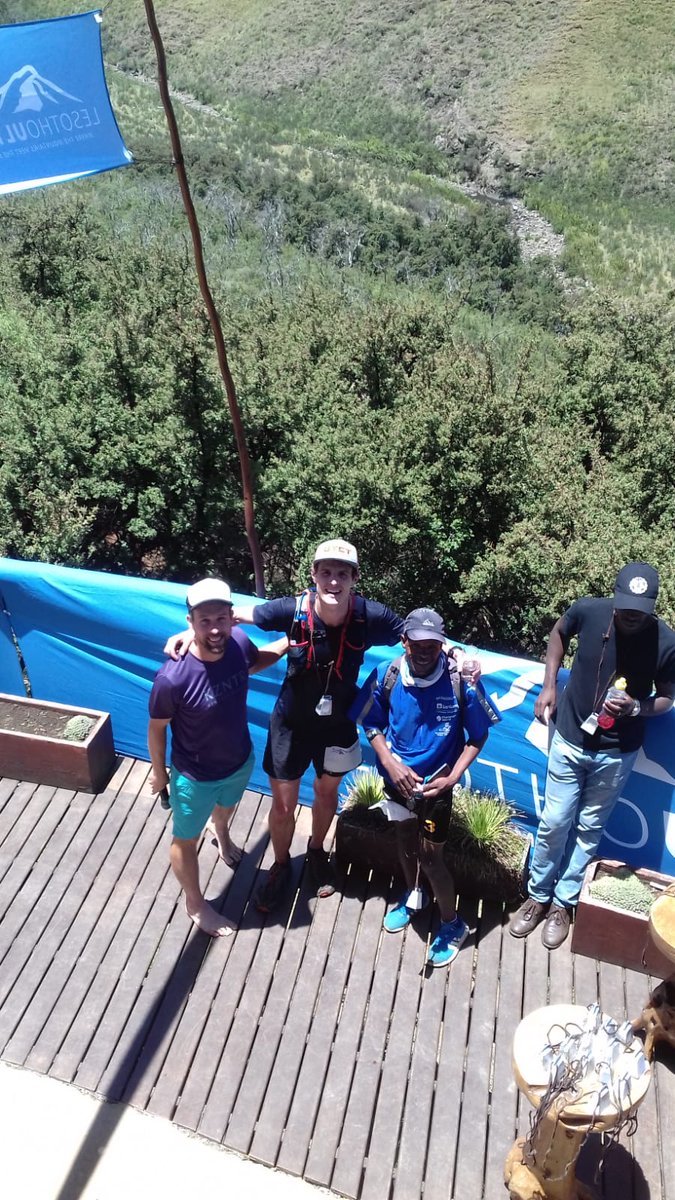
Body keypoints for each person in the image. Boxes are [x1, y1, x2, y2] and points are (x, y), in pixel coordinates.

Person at [164, 540, 404, 912]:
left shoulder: (368, 615)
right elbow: (234, 616)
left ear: (355, 578)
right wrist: (188, 634)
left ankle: (316, 853)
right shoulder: (293, 609)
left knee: (326, 796)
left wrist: (454, 655)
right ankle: (279, 866)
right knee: (283, 806)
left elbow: (412, 634)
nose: (334, 581)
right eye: (326, 572)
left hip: (338, 724)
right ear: (314, 575)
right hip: (290, 726)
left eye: (342, 573)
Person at [510, 562, 675, 950]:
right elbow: (558, 633)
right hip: (569, 737)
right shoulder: (589, 609)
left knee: (588, 830)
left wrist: (637, 707)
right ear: (614, 598)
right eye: (625, 607)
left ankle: (563, 904)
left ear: (653, 605)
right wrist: (549, 685)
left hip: (617, 753)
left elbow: (668, 697)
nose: (631, 615)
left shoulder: (666, 642)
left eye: (640, 609)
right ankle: (537, 896)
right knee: (554, 822)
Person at [148, 578, 287, 937]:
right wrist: (160, 774)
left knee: (226, 807)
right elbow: (157, 728)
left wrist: (290, 641)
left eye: (221, 619)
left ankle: (221, 831)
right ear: (190, 621)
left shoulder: (239, 642)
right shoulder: (172, 679)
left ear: (232, 618)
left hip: (240, 761)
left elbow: (254, 663)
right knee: (184, 840)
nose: (214, 628)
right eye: (204, 620)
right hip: (193, 778)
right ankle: (195, 903)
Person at [363, 608, 499, 967]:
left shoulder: (462, 682)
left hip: (437, 789)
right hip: (396, 782)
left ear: (443, 644)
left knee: (431, 858)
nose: (424, 652)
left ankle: (453, 924)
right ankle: (412, 894)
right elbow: (371, 725)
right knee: (405, 842)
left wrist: (453, 777)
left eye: (433, 645)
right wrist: (391, 764)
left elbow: (479, 736)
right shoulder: (386, 674)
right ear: (404, 642)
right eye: (417, 644)